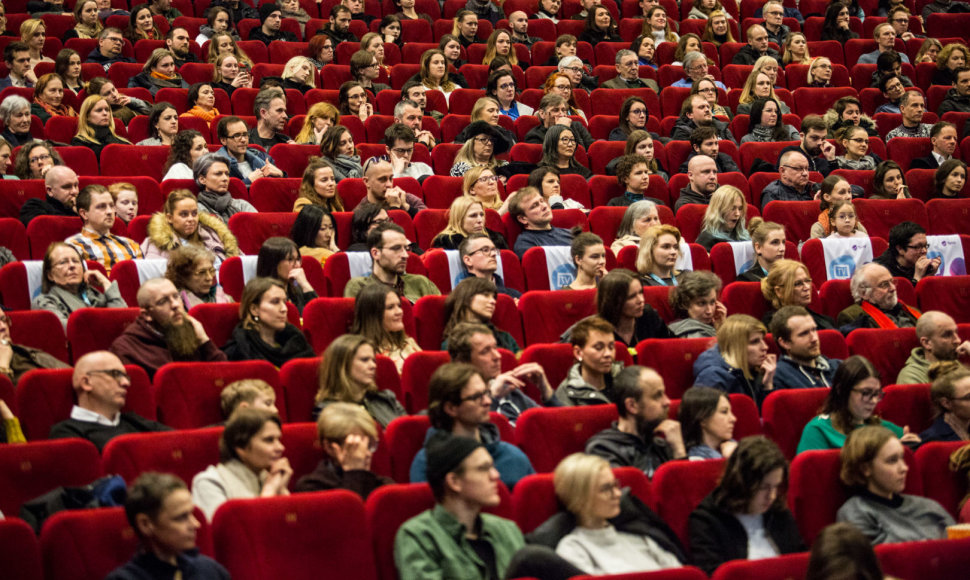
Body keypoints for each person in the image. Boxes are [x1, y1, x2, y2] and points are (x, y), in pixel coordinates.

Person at [396, 430, 576, 580]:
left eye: (492, 467)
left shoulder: (506, 529)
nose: (496, 475)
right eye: (483, 469)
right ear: (454, 481)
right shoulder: (418, 536)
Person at [534, 453, 686, 575]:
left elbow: (682, 575)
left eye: (616, 485)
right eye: (606, 489)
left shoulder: (638, 535)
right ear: (580, 498)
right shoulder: (573, 549)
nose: (618, 494)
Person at [688, 436, 805, 575]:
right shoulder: (706, 521)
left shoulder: (778, 512)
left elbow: (800, 562)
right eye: (764, 487)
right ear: (742, 483)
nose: (772, 496)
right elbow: (714, 575)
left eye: (776, 487)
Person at [409, 362, 535, 487]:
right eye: (476, 397)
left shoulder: (511, 456)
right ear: (451, 408)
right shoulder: (428, 463)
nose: (488, 401)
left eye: (486, 393)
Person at [837, 426, 953, 542]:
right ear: (865, 469)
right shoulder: (856, 512)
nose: (904, 468)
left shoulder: (929, 507)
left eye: (902, 458)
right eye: (892, 460)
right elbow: (875, 557)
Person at [106, 472, 230, 580]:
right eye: (181, 517)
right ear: (145, 524)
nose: (195, 524)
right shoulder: (123, 578)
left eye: (191, 514)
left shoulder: (210, 570)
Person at [49, 350, 171, 450]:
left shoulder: (135, 421)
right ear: (86, 382)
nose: (126, 383)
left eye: (125, 376)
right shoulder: (66, 433)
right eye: (115, 374)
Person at [797, 356, 920, 453]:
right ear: (841, 390)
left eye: (877, 394)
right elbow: (811, 479)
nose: (873, 401)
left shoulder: (889, 430)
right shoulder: (818, 430)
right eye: (866, 393)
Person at [110, 278, 227, 379]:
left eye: (176, 296)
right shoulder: (127, 349)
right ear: (147, 315)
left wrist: (205, 341)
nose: (175, 305)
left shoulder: (192, 333)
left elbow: (224, 377)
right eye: (163, 301)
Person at [192, 408, 292, 521]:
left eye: (279, 439)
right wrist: (269, 491)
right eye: (269, 440)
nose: (280, 447)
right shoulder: (210, 482)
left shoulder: (268, 477)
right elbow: (228, 534)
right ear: (241, 447)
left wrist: (282, 491)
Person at [586, 365, 685, 477]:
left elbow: (688, 493)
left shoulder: (663, 445)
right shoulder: (603, 449)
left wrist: (679, 452)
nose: (667, 402)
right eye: (657, 396)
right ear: (632, 405)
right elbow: (621, 493)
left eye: (664, 394)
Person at [294, 402, 393, 498]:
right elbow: (350, 513)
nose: (367, 453)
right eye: (355, 446)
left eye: (369, 444)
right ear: (329, 447)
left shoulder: (383, 485)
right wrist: (354, 472)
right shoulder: (311, 487)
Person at [312, 333, 406, 428]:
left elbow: (408, 432)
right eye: (365, 360)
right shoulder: (328, 411)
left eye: (373, 360)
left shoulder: (387, 398)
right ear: (343, 366)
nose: (373, 366)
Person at [32, 242, 127, 327]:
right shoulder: (45, 303)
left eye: (76, 261)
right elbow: (73, 332)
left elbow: (124, 321)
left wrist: (106, 284)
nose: (72, 266)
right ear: (50, 275)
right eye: (63, 262)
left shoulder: (93, 295)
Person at [223, 277, 313, 366]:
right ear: (254, 309)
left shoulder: (297, 342)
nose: (284, 309)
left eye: (284, 302)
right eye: (275, 302)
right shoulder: (240, 350)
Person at [344, 222, 439, 303]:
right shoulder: (359, 287)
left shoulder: (421, 283)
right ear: (376, 253)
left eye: (406, 248)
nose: (405, 255)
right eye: (396, 248)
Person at [694, 315, 777, 406]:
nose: (765, 347)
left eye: (762, 340)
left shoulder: (755, 369)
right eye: (755, 342)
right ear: (735, 347)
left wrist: (767, 385)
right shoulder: (713, 377)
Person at [143, 190, 239, 266]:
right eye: (184, 214)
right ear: (169, 218)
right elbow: (153, 276)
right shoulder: (158, 243)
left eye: (194, 213)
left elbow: (238, 263)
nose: (191, 219)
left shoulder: (213, 234)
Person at [65, 184, 142, 273]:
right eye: (101, 207)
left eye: (111, 206)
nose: (110, 211)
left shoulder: (131, 244)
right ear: (84, 214)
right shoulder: (73, 246)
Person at [554, 315, 624, 405]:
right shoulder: (566, 394)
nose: (608, 354)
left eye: (611, 347)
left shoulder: (624, 382)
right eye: (599, 348)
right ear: (578, 353)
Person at [351, 283, 421, 372]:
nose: (399, 311)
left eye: (399, 306)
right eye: (390, 307)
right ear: (373, 315)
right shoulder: (361, 353)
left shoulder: (409, 343)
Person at [769, 306, 842, 389]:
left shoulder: (839, 367)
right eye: (804, 333)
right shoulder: (779, 376)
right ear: (785, 343)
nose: (814, 338)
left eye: (814, 330)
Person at [597, 268, 671, 348]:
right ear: (613, 301)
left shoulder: (650, 316)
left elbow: (672, 348)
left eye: (640, 293)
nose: (641, 300)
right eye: (632, 296)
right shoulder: (596, 329)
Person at [838, 263, 922, 333]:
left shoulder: (911, 311)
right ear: (864, 293)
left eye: (892, 282)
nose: (893, 288)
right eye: (884, 284)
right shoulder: (852, 317)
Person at [897, 311, 970, 384]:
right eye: (947, 335)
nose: (958, 340)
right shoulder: (912, 376)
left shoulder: (953, 362)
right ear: (927, 343)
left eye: (956, 332)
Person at [0, 310, 69, 387]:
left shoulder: (23, 351)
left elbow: (69, 373)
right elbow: (6, 395)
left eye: (4, 320)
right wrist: (3, 367)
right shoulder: (4, 361)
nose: (3, 327)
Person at [214, 116, 284, 186]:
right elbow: (222, 193)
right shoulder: (216, 165)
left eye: (245, 134)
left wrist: (281, 174)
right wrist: (248, 181)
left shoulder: (260, 156)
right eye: (237, 135)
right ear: (223, 140)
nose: (243, 140)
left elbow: (283, 188)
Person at [507, 186, 574, 259]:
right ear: (523, 219)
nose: (544, 206)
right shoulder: (525, 244)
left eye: (542, 201)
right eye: (535, 206)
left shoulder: (570, 233)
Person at [194, 153, 256, 223]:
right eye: (218, 174)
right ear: (202, 179)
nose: (225, 178)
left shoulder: (241, 205)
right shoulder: (196, 210)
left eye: (227, 174)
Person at [165, 245, 232, 310]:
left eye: (211, 271)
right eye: (201, 273)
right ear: (182, 276)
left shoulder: (224, 296)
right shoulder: (175, 305)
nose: (209, 278)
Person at [873, 221, 938, 286]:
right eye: (917, 247)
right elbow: (903, 295)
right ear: (900, 249)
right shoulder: (880, 271)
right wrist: (917, 278)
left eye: (925, 246)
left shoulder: (918, 265)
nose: (924, 251)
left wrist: (929, 276)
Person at [679, 386, 737, 459]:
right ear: (703, 418)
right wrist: (734, 458)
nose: (733, 419)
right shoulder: (697, 459)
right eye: (724, 412)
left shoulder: (733, 445)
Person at [361, 157, 427, 218]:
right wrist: (394, 208)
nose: (389, 184)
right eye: (382, 179)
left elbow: (427, 219)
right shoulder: (362, 212)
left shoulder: (405, 198)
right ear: (366, 182)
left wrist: (407, 207)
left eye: (390, 178)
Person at [71, 94, 131, 159]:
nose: (105, 113)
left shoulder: (122, 141)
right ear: (87, 116)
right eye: (99, 110)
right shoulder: (79, 143)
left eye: (107, 110)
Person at [669, 271, 726, 339]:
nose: (709, 311)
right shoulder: (693, 334)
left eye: (712, 302)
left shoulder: (714, 328)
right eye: (701, 303)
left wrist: (721, 328)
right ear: (685, 303)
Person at [524, 93, 594, 149]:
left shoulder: (577, 126)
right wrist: (560, 129)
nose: (562, 114)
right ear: (542, 114)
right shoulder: (534, 136)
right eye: (555, 110)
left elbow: (589, 149)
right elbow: (549, 156)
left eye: (564, 110)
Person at [695, 185, 750, 252]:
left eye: (740, 208)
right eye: (732, 208)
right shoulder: (707, 240)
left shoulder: (745, 236)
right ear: (719, 210)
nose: (737, 214)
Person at [670, 94, 736, 143]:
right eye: (701, 107)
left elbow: (734, 150)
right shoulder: (682, 132)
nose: (707, 110)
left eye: (708, 107)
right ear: (690, 115)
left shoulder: (722, 128)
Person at [86, 77, 151, 125]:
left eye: (113, 89)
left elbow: (152, 111)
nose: (114, 95)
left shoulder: (125, 100)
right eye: (107, 94)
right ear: (98, 98)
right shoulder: (107, 116)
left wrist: (132, 101)